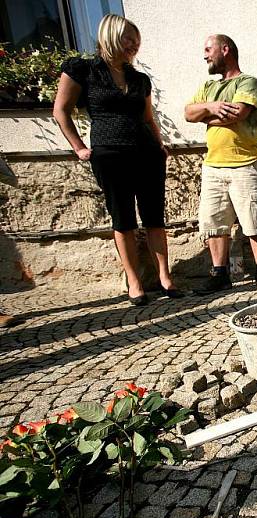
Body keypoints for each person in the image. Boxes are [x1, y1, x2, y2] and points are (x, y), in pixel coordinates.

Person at [53, 14, 181, 306]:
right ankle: (134, 283)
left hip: (147, 154)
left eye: (137, 41)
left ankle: (165, 277)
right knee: (122, 218)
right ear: (111, 35)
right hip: (110, 154)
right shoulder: (83, 70)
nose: (135, 45)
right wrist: (79, 147)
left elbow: (148, 118)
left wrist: (160, 146)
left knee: (154, 217)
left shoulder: (139, 79)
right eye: (129, 39)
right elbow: (61, 110)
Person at [185, 34, 257, 293]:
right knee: (213, 221)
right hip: (213, 165)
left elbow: (238, 113)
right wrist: (212, 106)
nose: (204, 55)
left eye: (208, 49)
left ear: (225, 50)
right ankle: (220, 274)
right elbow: (188, 113)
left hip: (244, 162)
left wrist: (206, 116)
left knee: (254, 219)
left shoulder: (248, 82)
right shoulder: (208, 87)